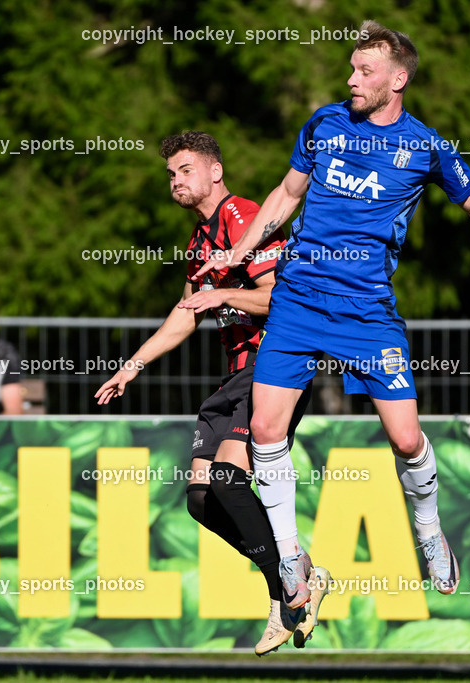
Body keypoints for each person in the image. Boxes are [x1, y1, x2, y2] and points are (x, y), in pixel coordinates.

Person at [197, 21, 470, 609]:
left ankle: (429, 531)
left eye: (364, 71)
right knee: (266, 430)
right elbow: (288, 194)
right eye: (350, 69)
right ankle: (290, 562)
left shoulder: (424, 145)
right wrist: (241, 254)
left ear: (398, 79)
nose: (351, 80)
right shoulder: (324, 123)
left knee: (406, 437)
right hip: (297, 300)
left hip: (366, 311)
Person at [94, 131, 328, 656]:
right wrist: (132, 366)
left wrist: (221, 290)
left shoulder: (245, 217)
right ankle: (297, 576)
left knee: (226, 479)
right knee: (201, 499)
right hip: (236, 374)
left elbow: (280, 300)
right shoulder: (200, 241)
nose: (175, 180)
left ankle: (289, 592)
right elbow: (185, 315)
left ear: (215, 171)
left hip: (274, 366)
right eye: (171, 173)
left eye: (184, 169)